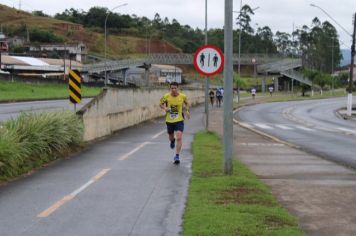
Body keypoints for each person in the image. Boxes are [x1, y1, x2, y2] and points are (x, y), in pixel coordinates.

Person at [160, 82, 190, 164]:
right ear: (170, 89)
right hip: (169, 120)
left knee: (179, 137)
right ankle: (172, 141)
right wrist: (165, 108)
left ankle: (177, 156)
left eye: (175, 88)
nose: (173, 90)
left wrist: (186, 110)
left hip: (179, 120)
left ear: (178, 88)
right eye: (172, 88)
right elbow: (161, 104)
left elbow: (187, 103)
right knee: (171, 136)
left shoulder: (183, 96)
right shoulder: (166, 96)